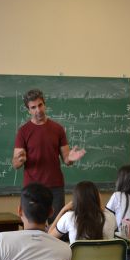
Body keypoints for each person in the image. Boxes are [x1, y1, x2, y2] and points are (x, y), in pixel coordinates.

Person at [12, 89, 86, 222]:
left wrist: (70, 159)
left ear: (44, 104)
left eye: (40, 105)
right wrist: (19, 160)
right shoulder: (23, 131)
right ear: (28, 110)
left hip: (55, 186)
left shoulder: (58, 129)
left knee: (57, 226)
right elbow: (15, 164)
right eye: (33, 107)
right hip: (32, 188)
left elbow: (66, 159)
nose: (38, 110)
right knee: (32, 225)